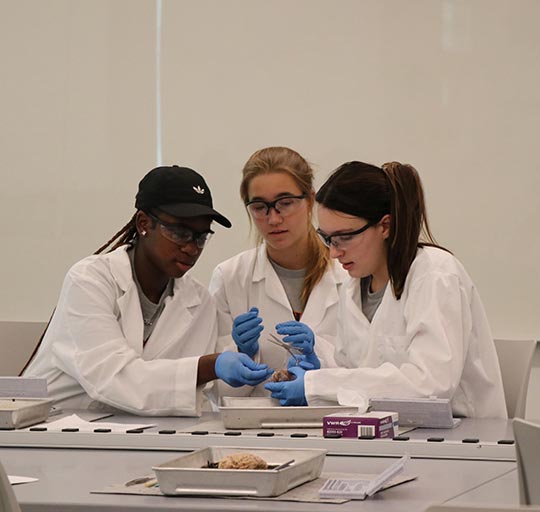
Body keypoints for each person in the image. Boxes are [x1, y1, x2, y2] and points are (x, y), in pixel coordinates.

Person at [265, 160, 507, 418]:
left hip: (463, 441)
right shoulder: (353, 287)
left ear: (385, 226)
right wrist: (318, 365)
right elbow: (359, 374)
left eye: (345, 237)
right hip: (388, 433)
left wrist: (318, 385)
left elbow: (429, 385)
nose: (334, 252)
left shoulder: (434, 275)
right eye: (327, 238)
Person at [23, 166, 273, 415]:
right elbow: (114, 379)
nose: (191, 248)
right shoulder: (90, 281)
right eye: (179, 232)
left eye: (200, 236)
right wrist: (211, 365)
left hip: (137, 434)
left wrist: (242, 354)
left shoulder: (198, 302)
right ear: (144, 223)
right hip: (50, 430)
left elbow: (200, 394)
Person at [209, 147, 347, 397]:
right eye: (260, 207)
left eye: (285, 203)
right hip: (252, 429)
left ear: (310, 201)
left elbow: (366, 371)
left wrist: (320, 360)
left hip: (332, 428)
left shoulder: (349, 273)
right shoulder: (230, 277)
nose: (273, 219)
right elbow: (218, 393)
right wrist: (243, 352)